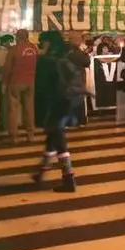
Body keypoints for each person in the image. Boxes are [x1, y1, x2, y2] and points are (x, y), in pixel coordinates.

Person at [31, 32, 90, 193]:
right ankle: (41, 171)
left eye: (42, 42)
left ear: (48, 43)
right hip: (68, 101)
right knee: (53, 137)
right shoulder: (68, 53)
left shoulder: (47, 60)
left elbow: (42, 87)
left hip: (53, 103)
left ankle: (68, 178)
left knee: (58, 138)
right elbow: (85, 61)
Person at [3, 29, 39, 145]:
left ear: (17, 37)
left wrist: (5, 82)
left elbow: (7, 68)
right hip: (30, 81)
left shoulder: (14, 50)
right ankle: (31, 134)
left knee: (13, 109)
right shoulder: (33, 48)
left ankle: (14, 136)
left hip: (15, 82)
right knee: (29, 109)